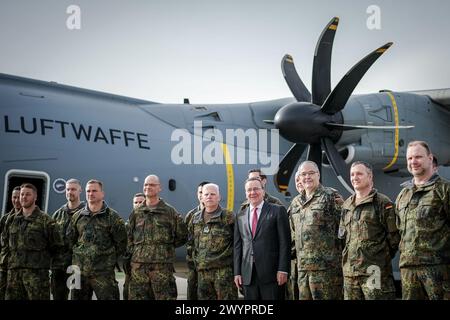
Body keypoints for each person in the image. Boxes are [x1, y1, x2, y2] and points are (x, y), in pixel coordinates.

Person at [395, 141, 449, 300]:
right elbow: (399, 230)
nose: (413, 162)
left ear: (430, 158)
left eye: (418, 157)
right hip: (408, 270)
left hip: (438, 270)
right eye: (410, 158)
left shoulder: (444, 190)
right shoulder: (403, 195)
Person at [339, 161, 400, 299]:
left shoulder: (383, 203)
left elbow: (394, 237)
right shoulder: (347, 205)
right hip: (350, 274)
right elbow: (343, 238)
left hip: (375, 271)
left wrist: (378, 257)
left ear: (370, 176)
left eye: (359, 174)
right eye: (352, 174)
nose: (355, 177)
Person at [127, 174, 188, 300]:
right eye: (146, 184)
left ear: (159, 188)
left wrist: (163, 248)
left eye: (152, 185)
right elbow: (129, 237)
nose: (148, 187)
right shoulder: (136, 213)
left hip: (162, 269)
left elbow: (182, 236)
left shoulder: (170, 212)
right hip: (139, 270)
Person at [290, 161, 343, 300]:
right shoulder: (296, 203)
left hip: (326, 270)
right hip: (303, 270)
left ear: (318, 175)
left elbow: (344, 229)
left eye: (311, 173)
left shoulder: (330, 196)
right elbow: (293, 234)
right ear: (299, 177)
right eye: (303, 174)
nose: (307, 177)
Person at [67, 179, 127, 300]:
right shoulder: (77, 216)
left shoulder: (113, 218)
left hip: (103, 274)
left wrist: (106, 260)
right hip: (79, 273)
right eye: (88, 191)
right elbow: (71, 240)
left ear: (102, 194)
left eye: (94, 190)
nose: (91, 193)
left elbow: (121, 244)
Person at [0, 183, 62, 300]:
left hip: (37, 278)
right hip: (13, 277)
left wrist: (50, 271)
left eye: (28, 194)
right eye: (22, 194)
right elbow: (5, 247)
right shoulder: (11, 220)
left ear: (35, 197)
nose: (23, 197)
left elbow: (57, 248)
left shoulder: (46, 221)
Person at [234, 177, 290, 300]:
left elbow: (284, 243)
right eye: (249, 190)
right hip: (248, 274)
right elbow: (238, 246)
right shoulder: (241, 215)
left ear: (263, 191)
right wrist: (237, 272)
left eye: (256, 189)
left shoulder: (277, 211)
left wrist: (283, 269)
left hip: (272, 274)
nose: (252, 192)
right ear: (245, 193)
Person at [189, 183, 237, 299]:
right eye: (206, 194)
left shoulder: (229, 217)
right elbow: (191, 244)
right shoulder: (195, 218)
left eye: (212, 194)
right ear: (202, 197)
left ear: (219, 197)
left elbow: (238, 244)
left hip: (223, 273)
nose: (209, 197)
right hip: (203, 273)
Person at [51, 178, 85, 300]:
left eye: (73, 189)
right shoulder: (58, 214)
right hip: (59, 267)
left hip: (78, 267)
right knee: (58, 296)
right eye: (68, 189)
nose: (70, 192)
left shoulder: (86, 213)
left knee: (77, 297)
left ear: (80, 190)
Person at [185, 181, 210, 300]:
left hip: (212, 267)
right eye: (200, 192)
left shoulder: (223, 215)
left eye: (205, 192)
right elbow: (184, 237)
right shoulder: (191, 215)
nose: (202, 195)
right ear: (197, 194)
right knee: (192, 294)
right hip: (194, 266)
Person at [123, 192, 146, 300]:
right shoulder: (128, 224)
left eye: (140, 202)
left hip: (147, 267)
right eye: (135, 202)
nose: (138, 204)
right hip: (131, 267)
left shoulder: (153, 222)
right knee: (128, 293)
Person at [0, 186, 22, 300]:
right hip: (4, 267)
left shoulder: (29, 218)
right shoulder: (4, 219)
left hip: (20, 269)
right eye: (14, 197)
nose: (17, 200)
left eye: (19, 197)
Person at [286, 172, 302, 300]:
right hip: (295, 264)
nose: (299, 182)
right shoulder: (294, 204)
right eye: (297, 179)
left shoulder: (329, 197)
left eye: (301, 178)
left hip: (322, 267)